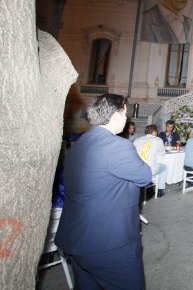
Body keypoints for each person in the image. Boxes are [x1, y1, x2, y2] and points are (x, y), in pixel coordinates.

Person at [55, 94, 152, 289]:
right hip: (109, 244)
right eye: (125, 113)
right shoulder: (118, 146)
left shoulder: (79, 145)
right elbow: (145, 176)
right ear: (115, 115)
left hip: (76, 240)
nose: (126, 118)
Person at [133, 124, 168, 197]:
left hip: (136, 169)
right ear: (154, 132)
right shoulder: (158, 140)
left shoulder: (137, 140)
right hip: (149, 170)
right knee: (164, 167)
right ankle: (160, 190)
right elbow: (162, 153)